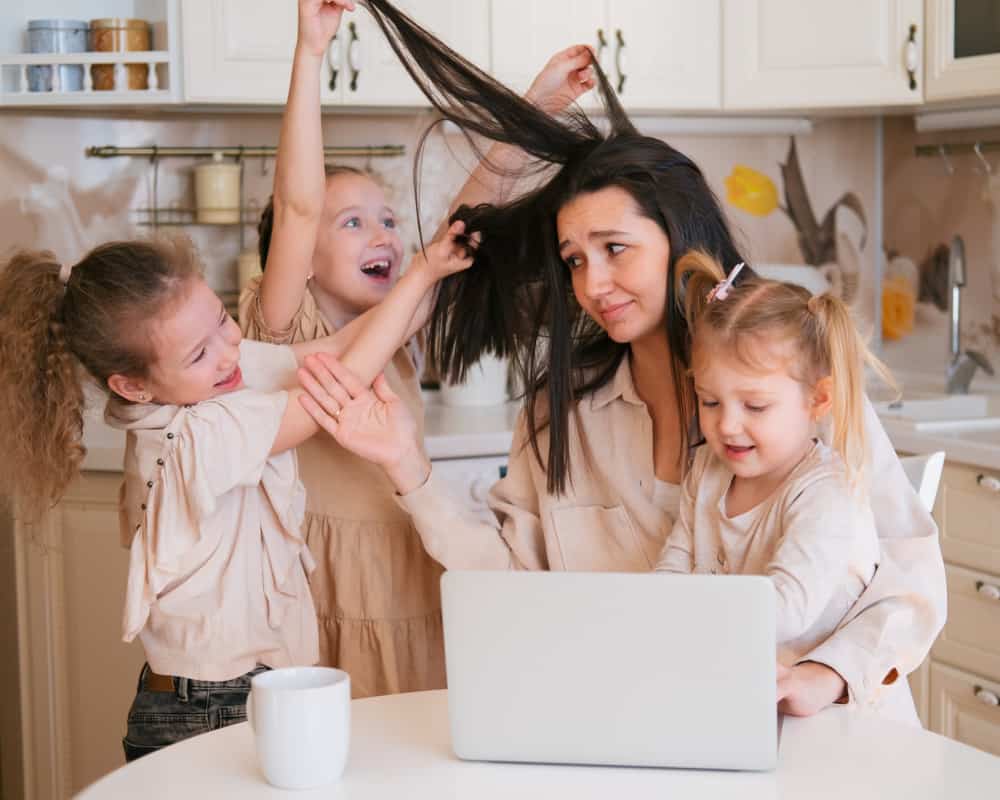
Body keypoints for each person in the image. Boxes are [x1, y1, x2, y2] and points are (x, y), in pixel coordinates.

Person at [295, 0, 946, 718]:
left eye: (615, 250)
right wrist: (404, 465)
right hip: (646, 725)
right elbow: (517, 580)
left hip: (825, 740)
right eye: (574, 259)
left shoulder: (788, 376)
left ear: (677, 236)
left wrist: (827, 675)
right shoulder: (563, 410)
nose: (591, 285)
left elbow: (911, 575)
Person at [0, 227, 471, 759]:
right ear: (132, 386)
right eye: (200, 352)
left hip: (207, 693)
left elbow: (339, 347)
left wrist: (431, 273)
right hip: (211, 705)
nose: (229, 352)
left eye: (223, 319)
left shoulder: (207, 377)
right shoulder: (196, 436)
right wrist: (425, 273)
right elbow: (340, 381)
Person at [239, 0, 597, 697]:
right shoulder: (280, 326)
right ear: (300, 258)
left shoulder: (401, 326)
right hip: (324, 581)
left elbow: (466, 224)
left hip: (413, 563)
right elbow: (298, 206)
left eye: (387, 219)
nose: (382, 235)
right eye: (352, 222)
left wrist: (539, 107)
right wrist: (310, 53)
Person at [654, 253, 915, 722]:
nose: (727, 425)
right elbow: (673, 567)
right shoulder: (707, 471)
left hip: (844, 719)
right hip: (760, 703)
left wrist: (683, 618)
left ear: (817, 400)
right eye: (710, 401)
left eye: (755, 406)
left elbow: (786, 609)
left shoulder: (825, 492)